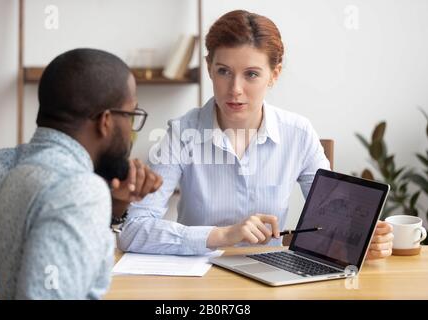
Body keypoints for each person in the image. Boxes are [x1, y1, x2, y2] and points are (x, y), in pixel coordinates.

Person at [117, 10, 393, 259]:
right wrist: (222, 235)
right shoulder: (181, 133)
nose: (235, 89)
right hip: (200, 280)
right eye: (223, 71)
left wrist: (363, 241)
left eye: (251, 74)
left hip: (271, 276)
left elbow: (333, 226)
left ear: (274, 74)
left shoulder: (298, 134)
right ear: (209, 67)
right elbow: (134, 230)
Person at [0, 48, 162, 299]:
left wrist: (114, 206)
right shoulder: (79, 190)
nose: (131, 130)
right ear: (105, 121)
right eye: (130, 116)